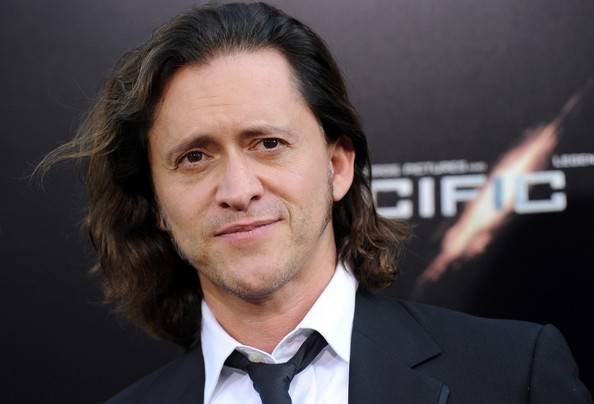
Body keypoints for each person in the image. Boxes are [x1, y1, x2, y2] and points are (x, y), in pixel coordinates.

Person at [40, 2, 592, 403]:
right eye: (194, 157)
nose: (237, 190)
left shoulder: (514, 374)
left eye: (268, 144)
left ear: (337, 166)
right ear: (157, 203)